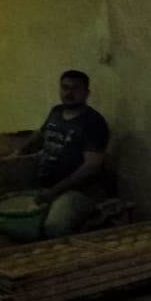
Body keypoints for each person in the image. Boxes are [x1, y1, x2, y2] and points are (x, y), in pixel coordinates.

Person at [18, 70, 110, 238]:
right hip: (48, 187)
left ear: (87, 93)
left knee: (54, 227)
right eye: (65, 87)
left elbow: (92, 166)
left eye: (75, 88)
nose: (69, 93)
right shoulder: (56, 112)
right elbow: (40, 134)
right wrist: (18, 152)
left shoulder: (93, 122)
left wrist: (53, 192)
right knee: (23, 221)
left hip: (79, 191)